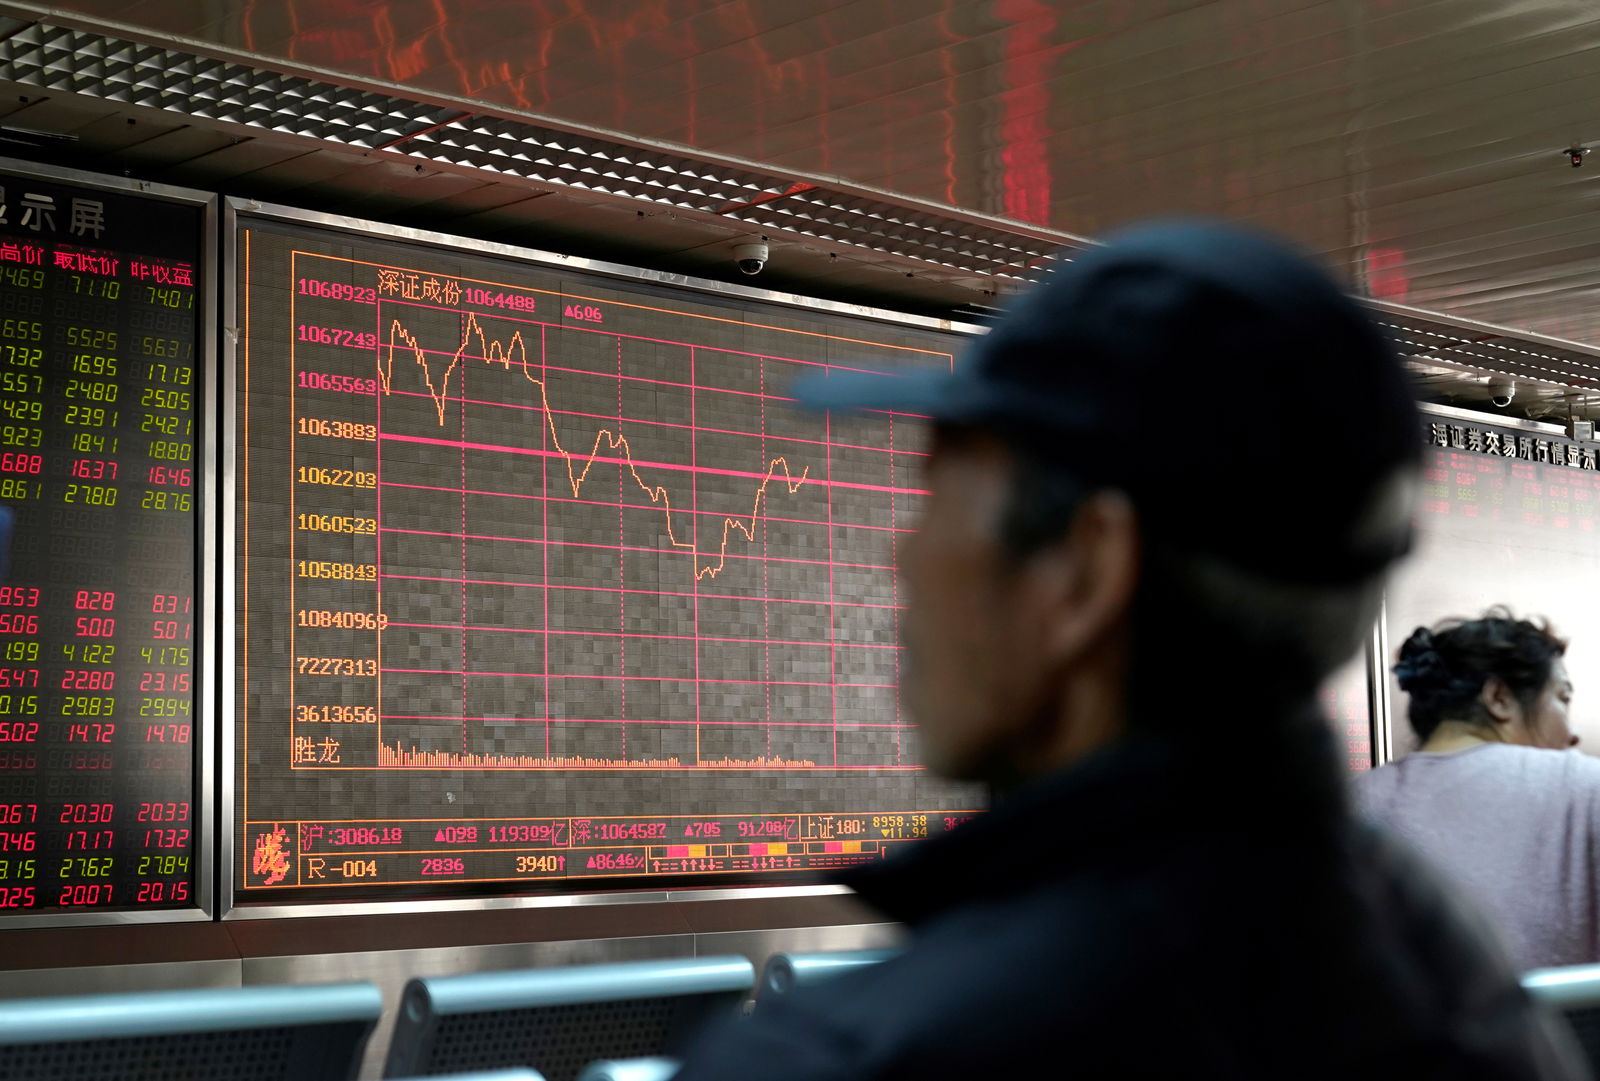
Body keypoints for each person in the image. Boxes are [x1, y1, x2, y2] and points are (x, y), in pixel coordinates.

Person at [670, 220, 1586, 1079]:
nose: (904, 552)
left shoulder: (849, 1053)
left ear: (1085, 569)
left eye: (939, 487)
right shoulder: (1458, 988)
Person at [1359, 610, 1600, 970]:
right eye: (1561, 698)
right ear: (1499, 697)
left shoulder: (1346, 803)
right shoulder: (1584, 787)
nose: (1572, 734)